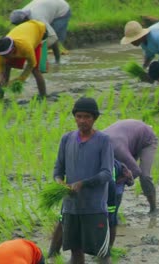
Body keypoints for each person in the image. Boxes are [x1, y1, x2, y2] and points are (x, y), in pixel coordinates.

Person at [53, 97, 113, 264]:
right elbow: (58, 171)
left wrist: (83, 183)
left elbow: (107, 173)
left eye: (87, 117)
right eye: (78, 116)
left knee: (102, 254)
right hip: (71, 208)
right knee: (75, 253)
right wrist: (60, 183)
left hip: (94, 208)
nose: (82, 121)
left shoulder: (103, 140)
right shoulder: (67, 139)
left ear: (95, 118)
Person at [47, 159, 134, 258]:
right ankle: (53, 252)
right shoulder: (72, 156)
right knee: (64, 216)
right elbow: (58, 170)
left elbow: (110, 198)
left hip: (113, 184)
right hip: (82, 183)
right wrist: (61, 183)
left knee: (110, 219)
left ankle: (106, 252)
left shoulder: (106, 169)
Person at [103, 119, 159, 214]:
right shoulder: (95, 144)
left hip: (146, 139)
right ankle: (112, 212)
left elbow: (136, 170)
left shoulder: (118, 149)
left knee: (144, 176)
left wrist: (122, 180)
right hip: (128, 137)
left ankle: (153, 209)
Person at [0, 20, 47, 99]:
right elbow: (0, 65)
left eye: (6, 55)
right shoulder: (2, 50)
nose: (4, 57)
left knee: (35, 70)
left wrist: (21, 79)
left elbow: (31, 64)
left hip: (38, 30)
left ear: (13, 49)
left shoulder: (26, 47)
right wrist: (1, 77)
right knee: (6, 66)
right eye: (2, 55)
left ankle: (43, 96)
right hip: (23, 31)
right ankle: (0, 97)